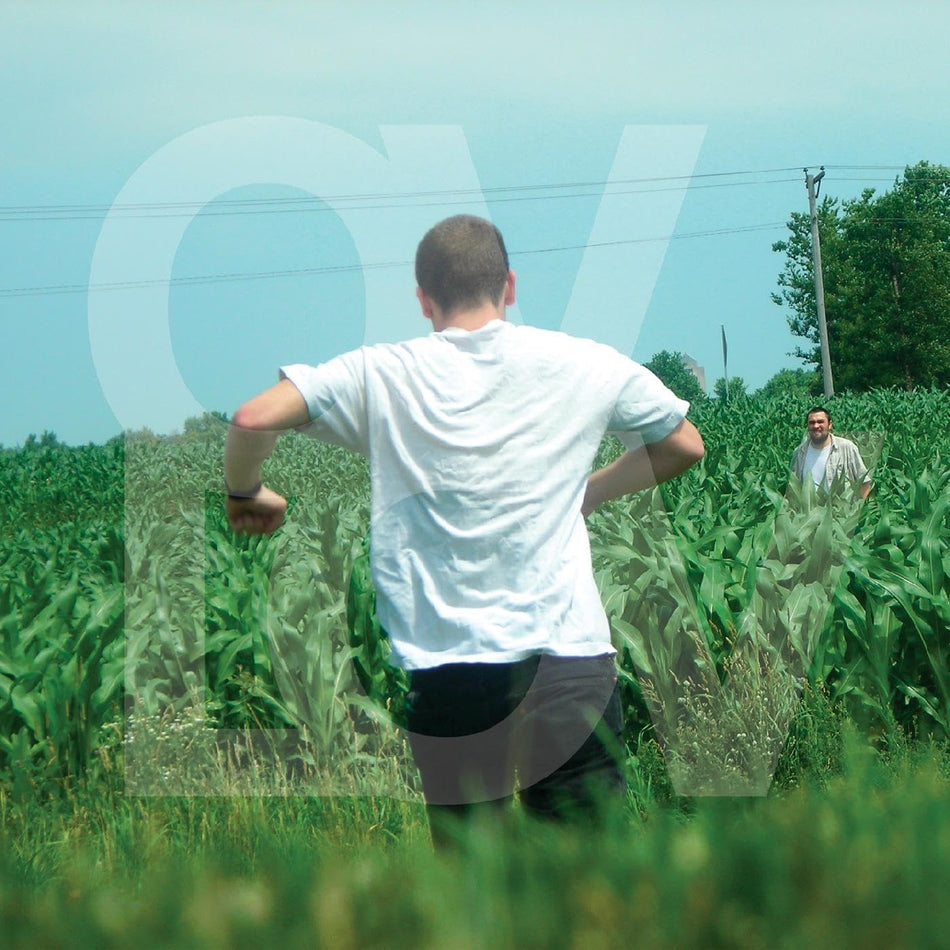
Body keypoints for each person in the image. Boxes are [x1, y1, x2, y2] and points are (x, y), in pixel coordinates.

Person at [223, 214, 704, 842]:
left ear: (424, 299)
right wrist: (590, 492)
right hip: (570, 659)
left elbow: (253, 417)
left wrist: (247, 491)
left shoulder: (380, 373)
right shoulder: (585, 362)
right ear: (509, 286)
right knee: (588, 882)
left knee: (475, 883)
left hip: (454, 671)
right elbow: (683, 445)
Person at [790, 406, 871, 500]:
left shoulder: (847, 448)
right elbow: (793, 487)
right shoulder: (799, 452)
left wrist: (858, 506)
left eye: (820, 422)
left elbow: (865, 483)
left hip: (840, 508)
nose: (816, 426)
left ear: (830, 424)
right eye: (812, 422)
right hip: (810, 508)